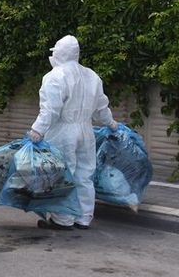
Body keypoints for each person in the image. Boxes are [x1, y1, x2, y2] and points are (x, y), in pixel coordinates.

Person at [28, 35, 117, 231]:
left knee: (63, 174)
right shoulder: (92, 76)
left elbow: (51, 109)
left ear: (60, 53)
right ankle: (83, 218)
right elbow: (101, 107)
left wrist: (37, 129)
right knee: (84, 175)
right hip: (86, 130)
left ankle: (63, 219)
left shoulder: (54, 77)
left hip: (63, 131)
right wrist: (110, 123)